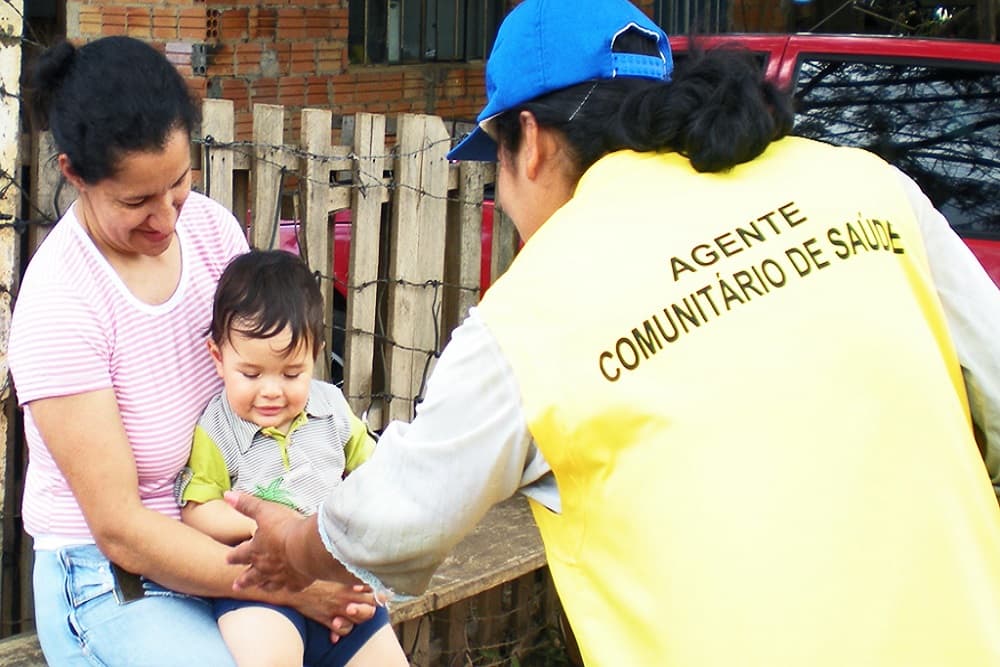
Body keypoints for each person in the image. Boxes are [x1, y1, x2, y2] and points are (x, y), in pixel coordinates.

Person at [224, 0, 1000, 664]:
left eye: (494, 162)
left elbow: (397, 521)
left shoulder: (536, 310)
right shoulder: (867, 187)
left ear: (529, 139)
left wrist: (292, 545)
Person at [9, 36, 379, 665]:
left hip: (241, 542)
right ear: (74, 173)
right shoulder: (60, 304)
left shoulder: (211, 230)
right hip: (114, 579)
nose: (166, 218)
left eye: (177, 184)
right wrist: (296, 584)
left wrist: (311, 546)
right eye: (135, 201)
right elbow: (121, 529)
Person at [176, 249, 407, 667]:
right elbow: (197, 511)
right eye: (251, 374)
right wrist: (274, 527)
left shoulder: (331, 408)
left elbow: (376, 472)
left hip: (335, 577)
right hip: (262, 592)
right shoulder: (217, 427)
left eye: (290, 373)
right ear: (218, 357)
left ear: (315, 354)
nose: (270, 390)